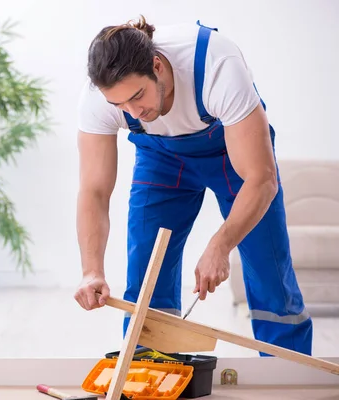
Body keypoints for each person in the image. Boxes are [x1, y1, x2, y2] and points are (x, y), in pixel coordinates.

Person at [73, 16, 313, 356]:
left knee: (268, 269)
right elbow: (94, 191)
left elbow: (262, 179)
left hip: (232, 153)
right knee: (146, 274)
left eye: (137, 96)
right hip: (161, 157)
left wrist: (220, 244)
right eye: (120, 105)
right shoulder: (99, 98)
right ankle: (152, 377)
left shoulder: (217, 64)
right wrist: (90, 271)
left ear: (156, 66)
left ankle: (287, 373)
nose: (132, 112)